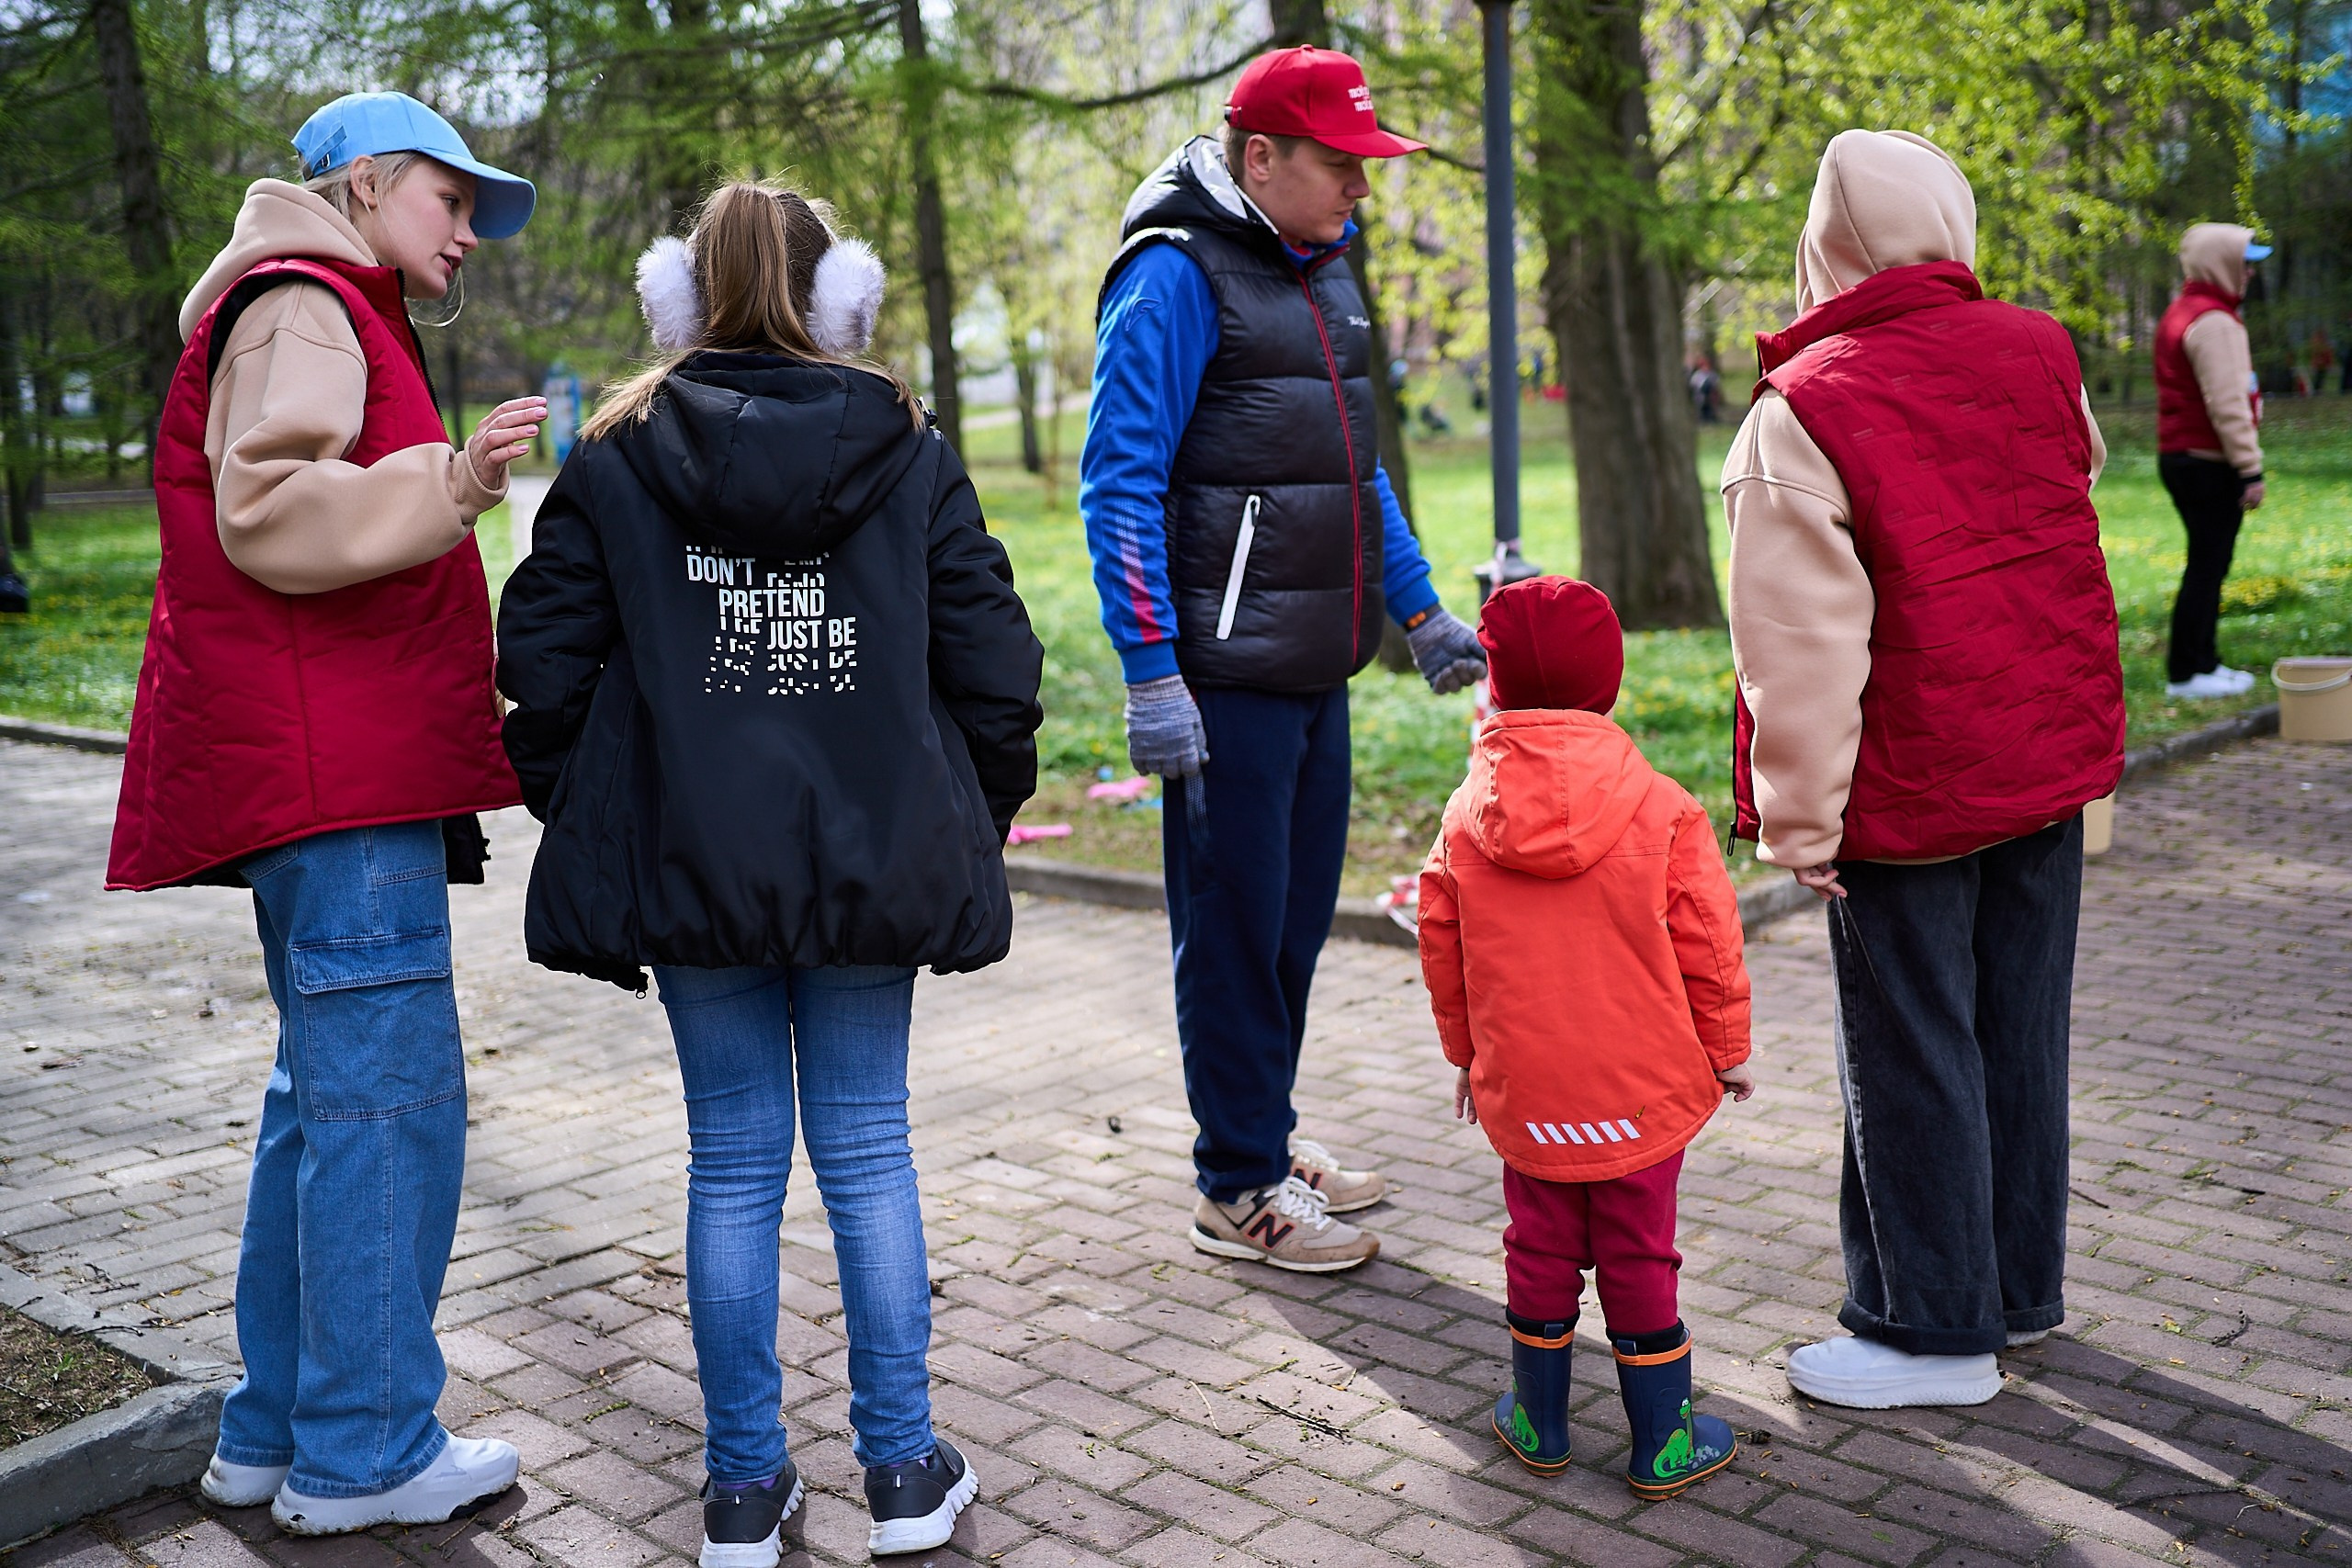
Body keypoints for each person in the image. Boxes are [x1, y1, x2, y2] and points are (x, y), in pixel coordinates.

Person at [496, 181, 1042, 1565]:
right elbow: (995, 659)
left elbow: (540, 663)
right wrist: (957, 814)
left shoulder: (615, 453)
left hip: (694, 860)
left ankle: (743, 1488)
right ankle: (903, 1471)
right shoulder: (906, 443)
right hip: (868, 855)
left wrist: (609, 809)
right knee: (867, 1151)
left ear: (680, 301)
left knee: (732, 1164)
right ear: (839, 299)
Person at [104, 91, 540, 1534]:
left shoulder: (313, 302)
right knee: (386, 1110)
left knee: (326, 1103)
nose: (466, 232)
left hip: (326, 773)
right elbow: (268, 506)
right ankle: (366, 1451)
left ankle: (276, 1428)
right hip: (342, 781)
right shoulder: (306, 304)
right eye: (450, 200)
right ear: (365, 185)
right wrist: (454, 479)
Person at [1724, 130, 2122, 1409]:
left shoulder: (1805, 405)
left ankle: (1933, 1335)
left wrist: (1796, 820)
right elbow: (2064, 490)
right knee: (2019, 1032)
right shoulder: (2039, 349)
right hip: (2041, 755)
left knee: (1912, 1049)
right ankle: (2013, 1293)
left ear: (1825, 244)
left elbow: (1798, 645)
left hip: (1906, 783)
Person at [1079, 45, 1487, 1275]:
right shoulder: (1172, 274)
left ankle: (1261, 1134)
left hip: (1316, 666)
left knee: (1292, 928)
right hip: (1223, 684)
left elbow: (1351, 473)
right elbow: (1119, 484)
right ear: (1261, 158)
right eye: (1342, 164)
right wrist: (1150, 668)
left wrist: (1419, 610)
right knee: (1235, 932)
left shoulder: (1319, 268)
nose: (1362, 188)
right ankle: (1233, 1188)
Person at [1417, 576, 1753, 1496]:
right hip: (1640, 1093)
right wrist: (1726, 1047)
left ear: (1496, 683)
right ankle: (1663, 1443)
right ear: (1608, 681)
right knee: (1640, 1252)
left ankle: (1540, 1422)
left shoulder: (1465, 817)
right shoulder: (1664, 807)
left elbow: (1441, 946)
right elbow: (1709, 942)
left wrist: (1465, 1054)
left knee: (1537, 1247)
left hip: (1530, 1093)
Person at [2155, 223, 2270, 700]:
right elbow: (2227, 404)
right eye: (2244, 263)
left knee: (2208, 562)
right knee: (2207, 565)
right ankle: (2188, 672)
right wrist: (2250, 469)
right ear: (2219, 264)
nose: (2249, 273)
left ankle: (2204, 661)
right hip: (2207, 461)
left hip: (2183, 457)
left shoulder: (2183, 311)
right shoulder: (2215, 322)